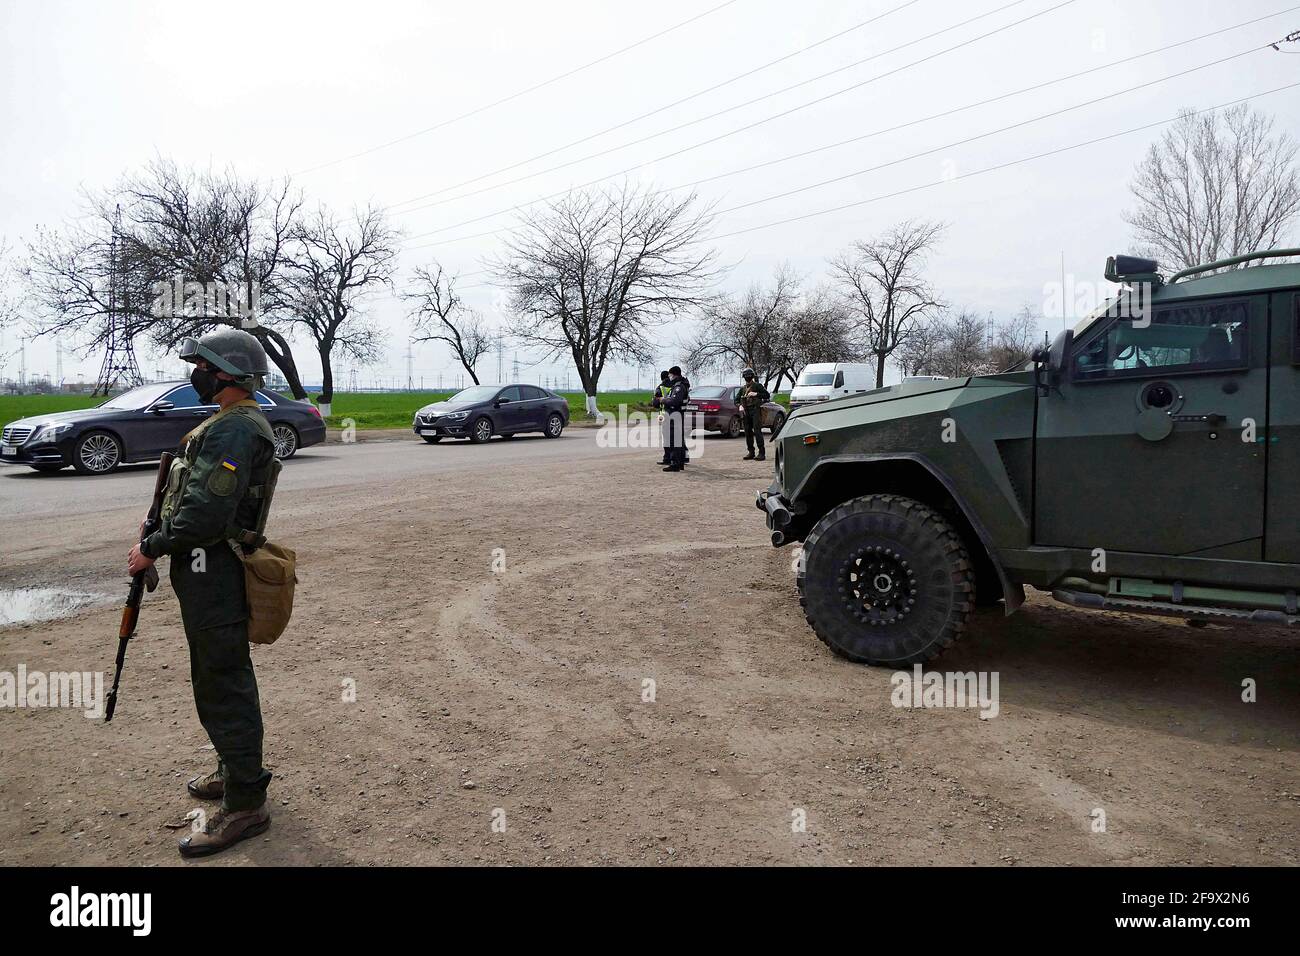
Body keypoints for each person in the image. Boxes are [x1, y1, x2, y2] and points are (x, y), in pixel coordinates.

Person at [127, 327, 278, 858]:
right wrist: (155, 536)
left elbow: (206, 514)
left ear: (226, 375)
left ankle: (245, 804)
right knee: (216, 673)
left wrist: (155, 547)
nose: (196, 374)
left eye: (203, 366)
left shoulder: (235, 429)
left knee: (223, 679)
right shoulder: (225, 423)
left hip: (214, 568)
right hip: (204, 567)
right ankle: (234, 769)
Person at [737, 368, 770, 461]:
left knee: (757, 431)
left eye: (749, 376)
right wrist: (740, 405)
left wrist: (756, 394)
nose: (747, 378)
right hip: (746, 411)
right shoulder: (743, 389)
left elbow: (767, 395)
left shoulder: (757, 386)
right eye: (746, 376)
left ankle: (761, 453)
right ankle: (751, 452)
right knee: (747, 432)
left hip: (755, 410)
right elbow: (737, 399)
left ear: (752, 376)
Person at [662, 365, 690, 472]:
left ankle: (675, 463)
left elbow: (674, 401)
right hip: (676, 415)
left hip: (676, 415)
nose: (669, 376)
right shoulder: (679, 385)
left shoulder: (679, 386)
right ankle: (680, 463)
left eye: (670, 374)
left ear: (674, 374)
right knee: (678, 440)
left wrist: (663, 400)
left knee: (675, 440)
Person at [651, 370, 672, 466]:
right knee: (677, 437)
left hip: (664, 415)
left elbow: (655, 404)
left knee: (667, 438)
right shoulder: (675, 385)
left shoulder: (660, 387)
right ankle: (681, 457)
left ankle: (667, 458)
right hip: (676, 413)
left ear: (661, 377)